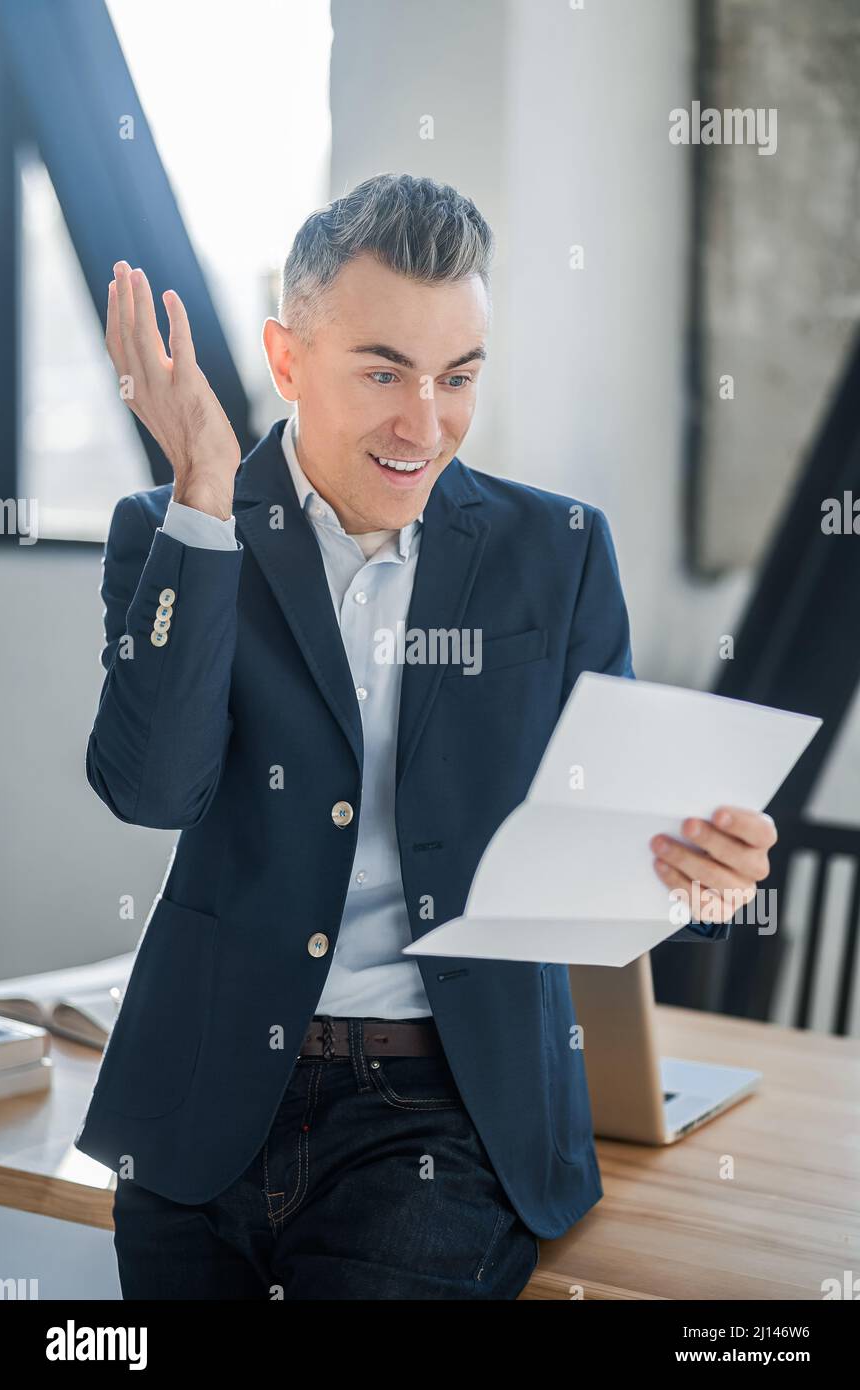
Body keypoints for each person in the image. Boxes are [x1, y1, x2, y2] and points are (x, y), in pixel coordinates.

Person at [74, 173, 778, 1300]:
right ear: (288, 358)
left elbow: (620, 833)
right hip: (203, 1097)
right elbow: (154, 788)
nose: (425, 423)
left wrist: (700, 873)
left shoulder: (557, 550)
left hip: (441, 1119)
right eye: (383, 372)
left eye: (459, 377)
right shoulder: (177, 534)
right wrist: (204, 495)